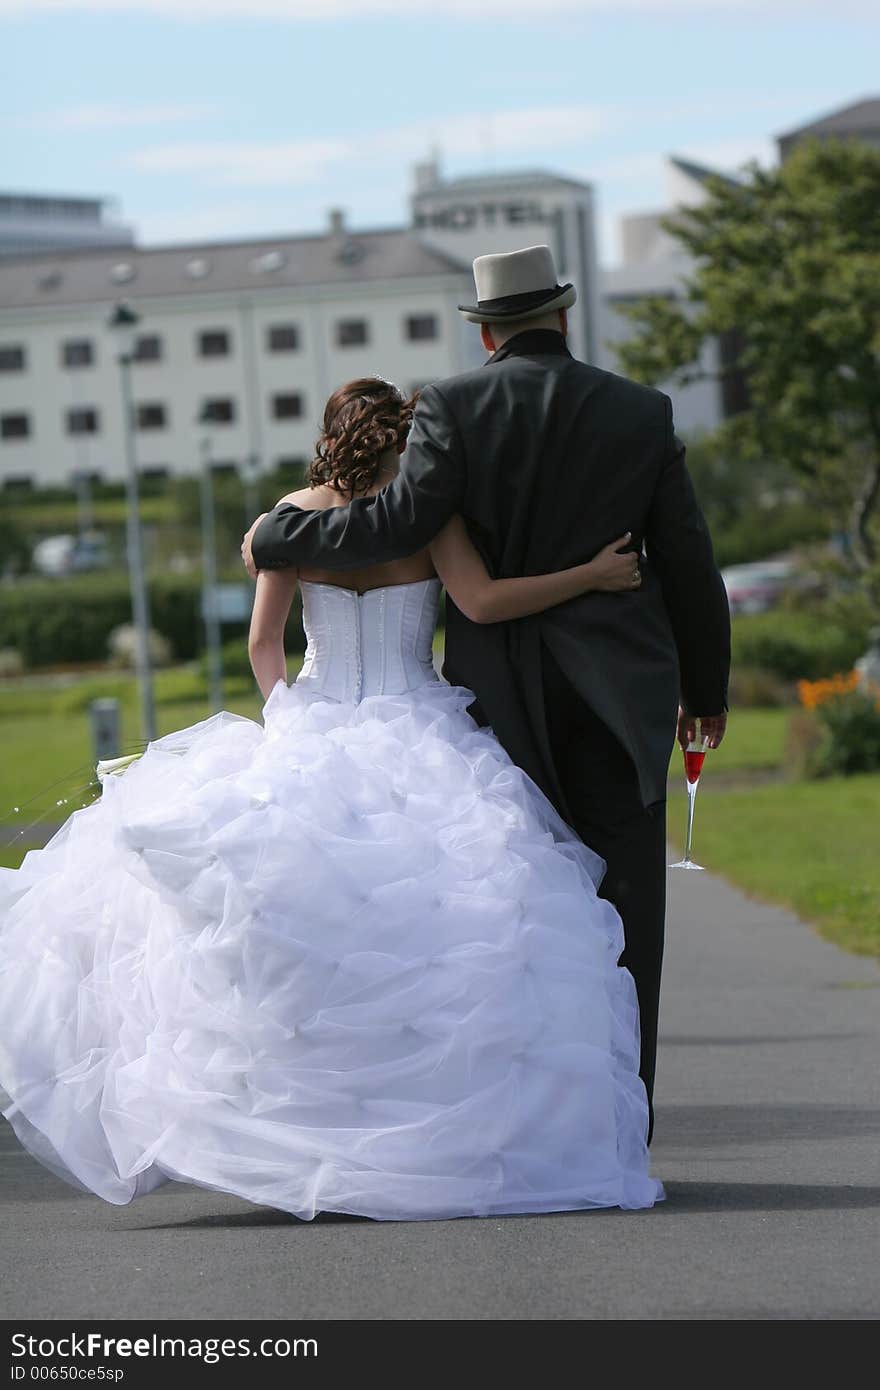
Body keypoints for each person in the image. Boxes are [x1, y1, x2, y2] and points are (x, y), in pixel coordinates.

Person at [0, 375, 663, 1221]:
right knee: (455, 924)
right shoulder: (430, 513)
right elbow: (484, 602)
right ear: (401, 440)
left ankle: (307, 1131)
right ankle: (426, 1129)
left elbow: (262, 643)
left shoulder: (290, 519)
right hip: (418, 722)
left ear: (332, 435)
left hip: (314, 720)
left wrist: (289, 725)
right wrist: (593, 576)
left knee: (308, 931)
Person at [242, 244, 732, 1143]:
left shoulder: (454, 408)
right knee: (628, 912)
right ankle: (624, 1122)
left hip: (499, 698)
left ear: (487, 331)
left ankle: (525, 1119)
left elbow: (390, 524)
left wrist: (274, 535)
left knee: (511, 912)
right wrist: (705, 693)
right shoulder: (641, 410)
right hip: (619, 698)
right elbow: (691, 564)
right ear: (565, 317)